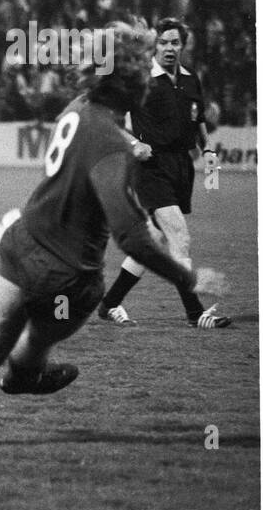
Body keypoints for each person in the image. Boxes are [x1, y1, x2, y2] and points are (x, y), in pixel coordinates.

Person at [0, 20, 227, 424]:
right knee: (34, 340)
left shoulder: (77, 110)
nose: (148, 79)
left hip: (24, 246)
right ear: (130, 81)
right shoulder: (108, 141)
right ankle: (25, 374)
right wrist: (189, 279)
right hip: (67, 278)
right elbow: (132, 237)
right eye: (142, 70)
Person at [97, 17, 230, 328]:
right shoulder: (140, 79)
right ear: (154, 45)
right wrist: (133, 144)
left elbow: (198, 123)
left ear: (182, 45)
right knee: (179, 238)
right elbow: (110, 120)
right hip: (149, 168)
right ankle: (195, 312)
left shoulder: (190, 79)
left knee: (154, 241)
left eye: (175, 43)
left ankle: (109, 303)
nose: (169, 48)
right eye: (163, 43)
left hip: (181, 167)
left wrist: (208, 150)